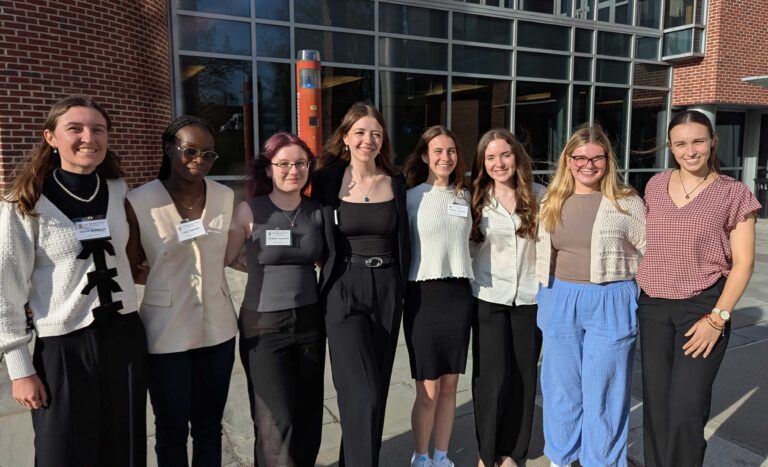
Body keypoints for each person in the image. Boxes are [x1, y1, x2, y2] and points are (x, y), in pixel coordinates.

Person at [0, 95, 147, 466]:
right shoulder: (25, 201)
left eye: (98, 129)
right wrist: (20, 369)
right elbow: (6, 289)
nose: (88, 137)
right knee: (61, 452)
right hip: (64, 347)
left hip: (124, 338)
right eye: (75, 129)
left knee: (124, 448)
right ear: (51, 137)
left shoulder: (117, 190)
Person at [636, 110, 761, 467]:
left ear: (712, 142)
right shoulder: (655, 185)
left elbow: (744, 263)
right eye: (680, 143)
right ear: (671, 147)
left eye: (697, 141)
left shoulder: (733, 192)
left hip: (702, 309)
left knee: (686, 409)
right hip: (654, 307)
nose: (690, 151)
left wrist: (717, 318)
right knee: (656, 407)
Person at [125, 115, 237, 466]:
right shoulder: (139, 201)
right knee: (171, 428)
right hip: (165, 334)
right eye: (190, 151)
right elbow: (130, 267)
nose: (199, 161)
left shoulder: (224, 195)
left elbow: (229, 254)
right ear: (168, 150)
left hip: (218, 329)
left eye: (208, 155)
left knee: (209, 427)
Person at [535, 124, 645, 467]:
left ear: (607, 160)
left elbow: (649, 249)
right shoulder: (551, 199)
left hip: (610, 299)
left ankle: (603, 461)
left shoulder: (626, 201)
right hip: (559, 296)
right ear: (568, 160)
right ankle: (561, 457)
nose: (588, 164)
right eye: (580, 157)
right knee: (561, 389)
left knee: (605, 391)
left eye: (597, 157)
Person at [311, 101, 410, 466]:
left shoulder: (397, 181)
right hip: (343, 286)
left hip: (387, 287)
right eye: (360, 132)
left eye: (376, 134)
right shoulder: (325, 180)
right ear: (346, 137)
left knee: (376, 390)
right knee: (361, 391)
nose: (368, 140)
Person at [226, 132, 325, 466]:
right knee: (275, 419)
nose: (292, 170)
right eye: (283, 164)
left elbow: (326, 261)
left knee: (309, 413)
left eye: (300, 163)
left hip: (311, 322)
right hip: (264, 325)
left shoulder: (316, 211)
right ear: (267, 169)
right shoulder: (249, 210)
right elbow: (224, 258)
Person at [469, 129, 545, 467]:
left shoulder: (540, 196)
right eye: (491, 157)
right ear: (482, 163)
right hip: (488, 297)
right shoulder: (474, 201)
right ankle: (487, 454)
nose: (499, 163)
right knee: (491, 380)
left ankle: (514, 453)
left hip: (530, 298)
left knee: (524, 378)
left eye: (505, 155)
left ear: (517, 157)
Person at [402, 126, 473, 467]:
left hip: (459, 297)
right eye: (438, 151)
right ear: (426, 156)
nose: (445, 157)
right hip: (423, 298)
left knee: (449, 386)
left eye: (451, 151)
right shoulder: (411, 197)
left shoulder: (466, 196)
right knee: (427, 390)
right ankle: (421, 456)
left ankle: (442, 455)